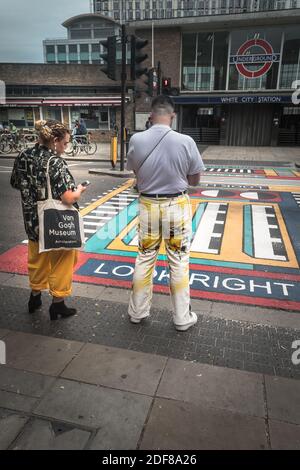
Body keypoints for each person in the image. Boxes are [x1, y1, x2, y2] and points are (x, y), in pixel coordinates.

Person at [126, 95, 205, 332]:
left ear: (150, 115)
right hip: (176, 206)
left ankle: (137, 312)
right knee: (178, 260)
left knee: (145, 257)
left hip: (148, 206)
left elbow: (135, 173)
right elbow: (194, 180)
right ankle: (182, 317)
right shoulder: (186, 141)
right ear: (173, 115)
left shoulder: (137, 139)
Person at [10, 119, 87, 320]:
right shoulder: (55, 162)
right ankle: (58, 304)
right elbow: (68, 198)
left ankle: (35, 297)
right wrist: (79, 190)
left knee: (37, 258)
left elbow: (16, 183)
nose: (66, 147)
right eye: (64, 143)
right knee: (63, 258)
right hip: (53, 221)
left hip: (31, 220)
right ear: (54, 140)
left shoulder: (23, 156)